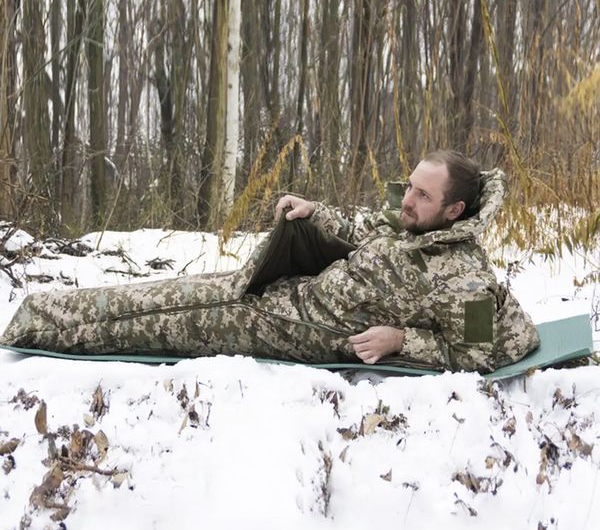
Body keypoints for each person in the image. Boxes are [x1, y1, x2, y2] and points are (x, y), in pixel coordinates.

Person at [0, 150, 540, 373]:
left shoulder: (465, 280)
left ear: (455, 209)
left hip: (295, 327)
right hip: (286, 291)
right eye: (411, 187)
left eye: (423, 196)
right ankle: (37, 311)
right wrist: (314, 212)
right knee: (169, 290)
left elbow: (475, 358)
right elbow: (360, 230)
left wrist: (401, 341)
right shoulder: (412, 228)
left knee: (153, 318)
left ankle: (39, 325)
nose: (407, 201)